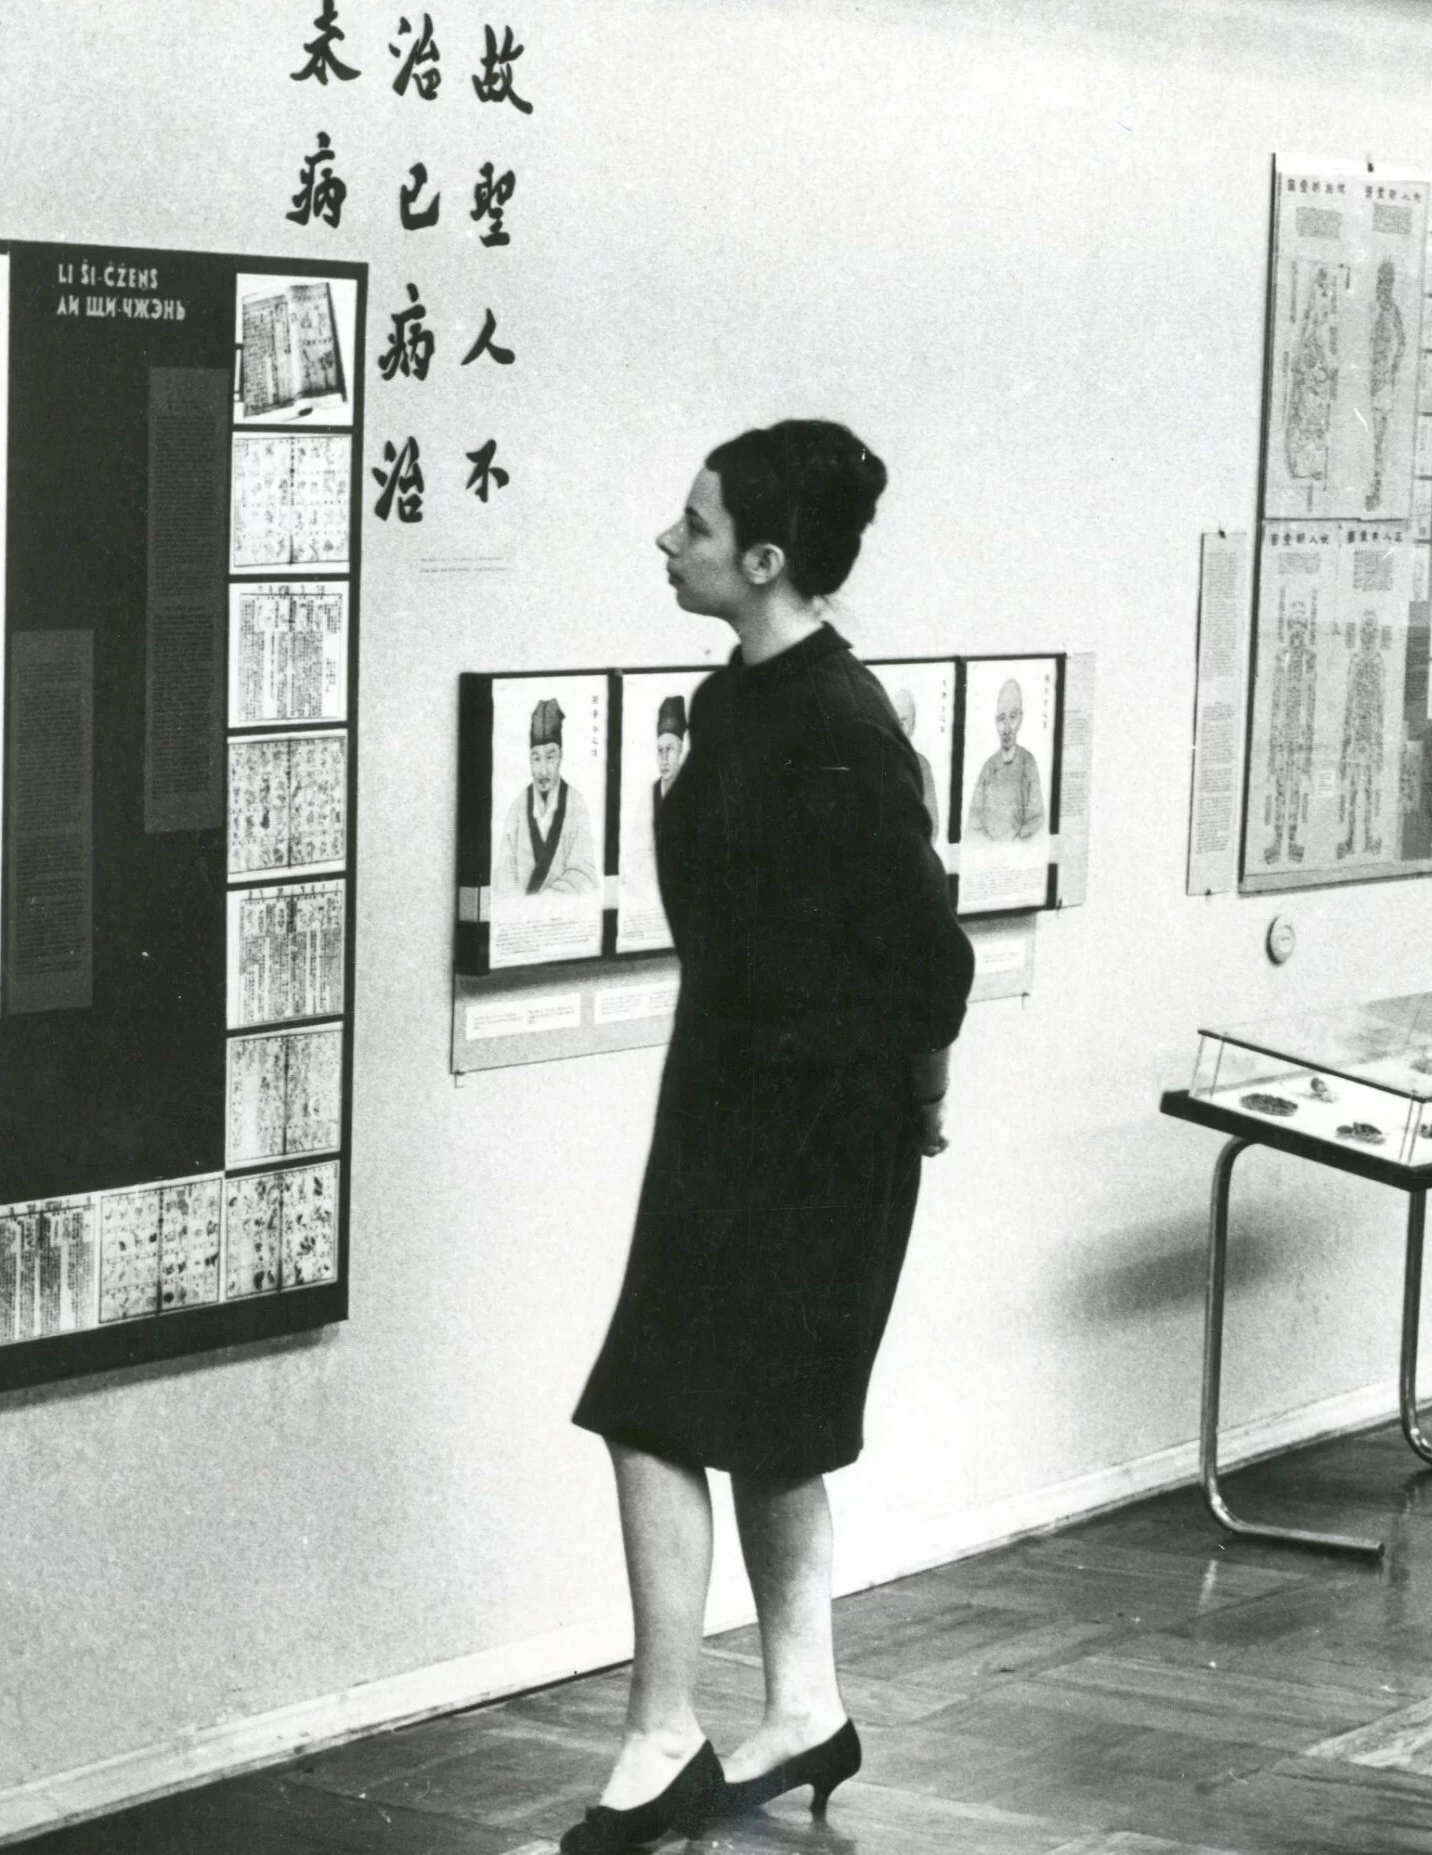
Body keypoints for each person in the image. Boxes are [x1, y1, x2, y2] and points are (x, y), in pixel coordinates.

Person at [564, 421, 974, 1852]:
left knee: (656, 1405)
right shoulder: (732, 704)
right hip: (728, 1103)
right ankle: (803, 1701)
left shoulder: (843, 728)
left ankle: (662, 1729)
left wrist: (909, 1098)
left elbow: (934, 967)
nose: (666, 543)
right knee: (759, 1422)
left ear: (765, 558)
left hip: (812, 1129)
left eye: (692, 524)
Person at [495, 696, 600, 897]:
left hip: (562, 919)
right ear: (529, 760)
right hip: (521, 921)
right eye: (536, 758)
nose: (543, 770)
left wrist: (545, 902)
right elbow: (505, 877)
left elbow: (584, 874)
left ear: (561, 756)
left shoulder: (576, 804)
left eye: (550, 757)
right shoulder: (518, 808)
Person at [965, 678, 1045, 841]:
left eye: (1013, 717)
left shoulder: (1027, 762)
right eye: (1001, 719)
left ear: (1021, 718)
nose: (1007, 728)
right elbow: (974, 822)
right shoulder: (989, 767)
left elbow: (1036, 819)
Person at [890, 684, 939, 835]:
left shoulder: (923, 766)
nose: (899, 729)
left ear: (913, 724)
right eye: (894, 722)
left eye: (903, 722)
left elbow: (933, 823)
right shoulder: (879, 763)